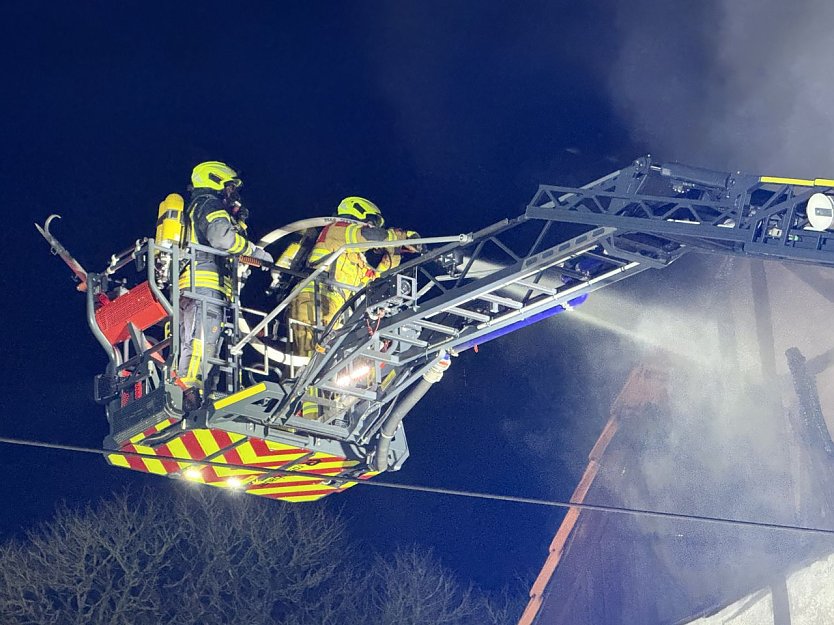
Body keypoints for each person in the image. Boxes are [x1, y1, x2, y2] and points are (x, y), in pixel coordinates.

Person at [285, 196, 419, 418]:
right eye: (372, 222)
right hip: (315, 299)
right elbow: (370, 236)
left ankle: (326, 413)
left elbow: (377, 279)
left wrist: (394, 252)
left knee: (337, 365)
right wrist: (399, 237)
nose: (375, 228)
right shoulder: (337, 231)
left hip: (337, 312)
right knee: (313, 358)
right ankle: (306, 412)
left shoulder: (356, 259)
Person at [177, 161, 272, 398]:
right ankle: (189, 392)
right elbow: (221, 239)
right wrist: (252, 251)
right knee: (202, 340)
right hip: (205, 286)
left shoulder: (198, 206)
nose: (233, 193)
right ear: (216, 180)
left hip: (196, 286)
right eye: (230, 187)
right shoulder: (210, 203)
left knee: (202, 341)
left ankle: (199, 392)